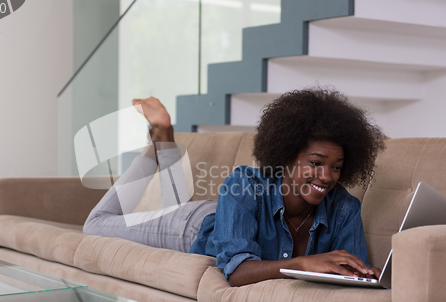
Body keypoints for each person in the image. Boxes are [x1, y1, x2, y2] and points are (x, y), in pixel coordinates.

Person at [83, 88, 386, 289]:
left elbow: (354, 275)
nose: (326, 177)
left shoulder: (344, 208)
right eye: (316, 163)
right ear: (288, 155)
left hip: (230, 215)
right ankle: (158, 145)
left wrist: (363, 276)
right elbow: (238, 273)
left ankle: (164, 139)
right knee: (95, 225)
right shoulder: (244, 183)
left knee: (170, 200)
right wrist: (304, 263)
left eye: (336, 166)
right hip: (193, 227)